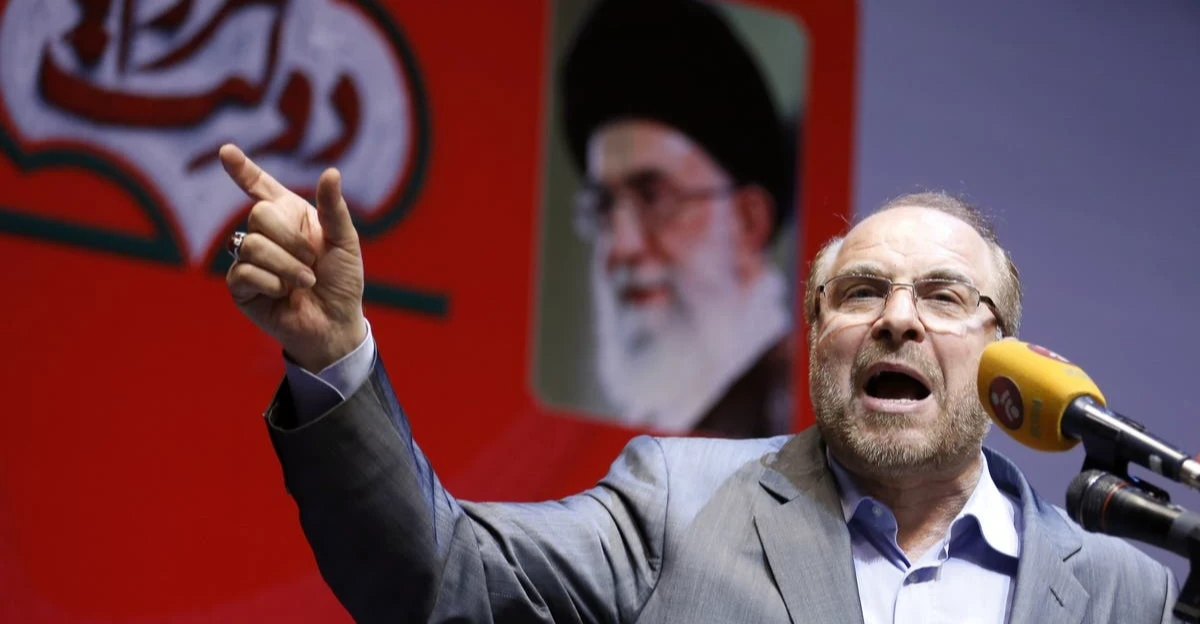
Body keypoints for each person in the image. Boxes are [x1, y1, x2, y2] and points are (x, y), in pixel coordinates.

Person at [219, 143, 1178, 623]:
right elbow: (439, 575)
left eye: (943, 296)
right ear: (816, 339)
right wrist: (334, 352)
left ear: (1007, 355)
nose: (897, 318)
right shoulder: (679, 502)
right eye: (859, 292)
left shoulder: (1122, 591)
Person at [556, 0, 797, 437]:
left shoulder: (794, 420)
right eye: (605, 205)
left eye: (653, 197)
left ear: (748, 222)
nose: (622, 246)